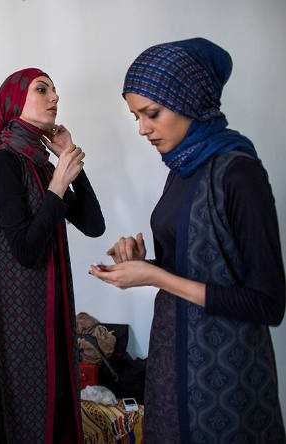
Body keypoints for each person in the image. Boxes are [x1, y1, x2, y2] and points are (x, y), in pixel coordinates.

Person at [90, 38, 285, 443]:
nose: (143, 129)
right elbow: (197, 264)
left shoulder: (239, 173)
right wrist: (145, 262)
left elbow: (268, 303)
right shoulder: (181, 169)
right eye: (136, 117)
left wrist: (156, 278)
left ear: (190, 101)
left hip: (225, 379)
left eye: (152, 114)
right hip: (172, 361)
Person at [0, 68, 105, 443]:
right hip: (17, 317)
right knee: (23, 415)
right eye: (42, 90)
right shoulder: (3, 163)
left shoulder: (44, 164)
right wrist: (58, 184)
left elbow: (94, 225)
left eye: (55, 91)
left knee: (56, 405)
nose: (54, 98)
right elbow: (26, 251)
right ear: (15, 102)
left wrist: (69, 163)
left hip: (52, 309)